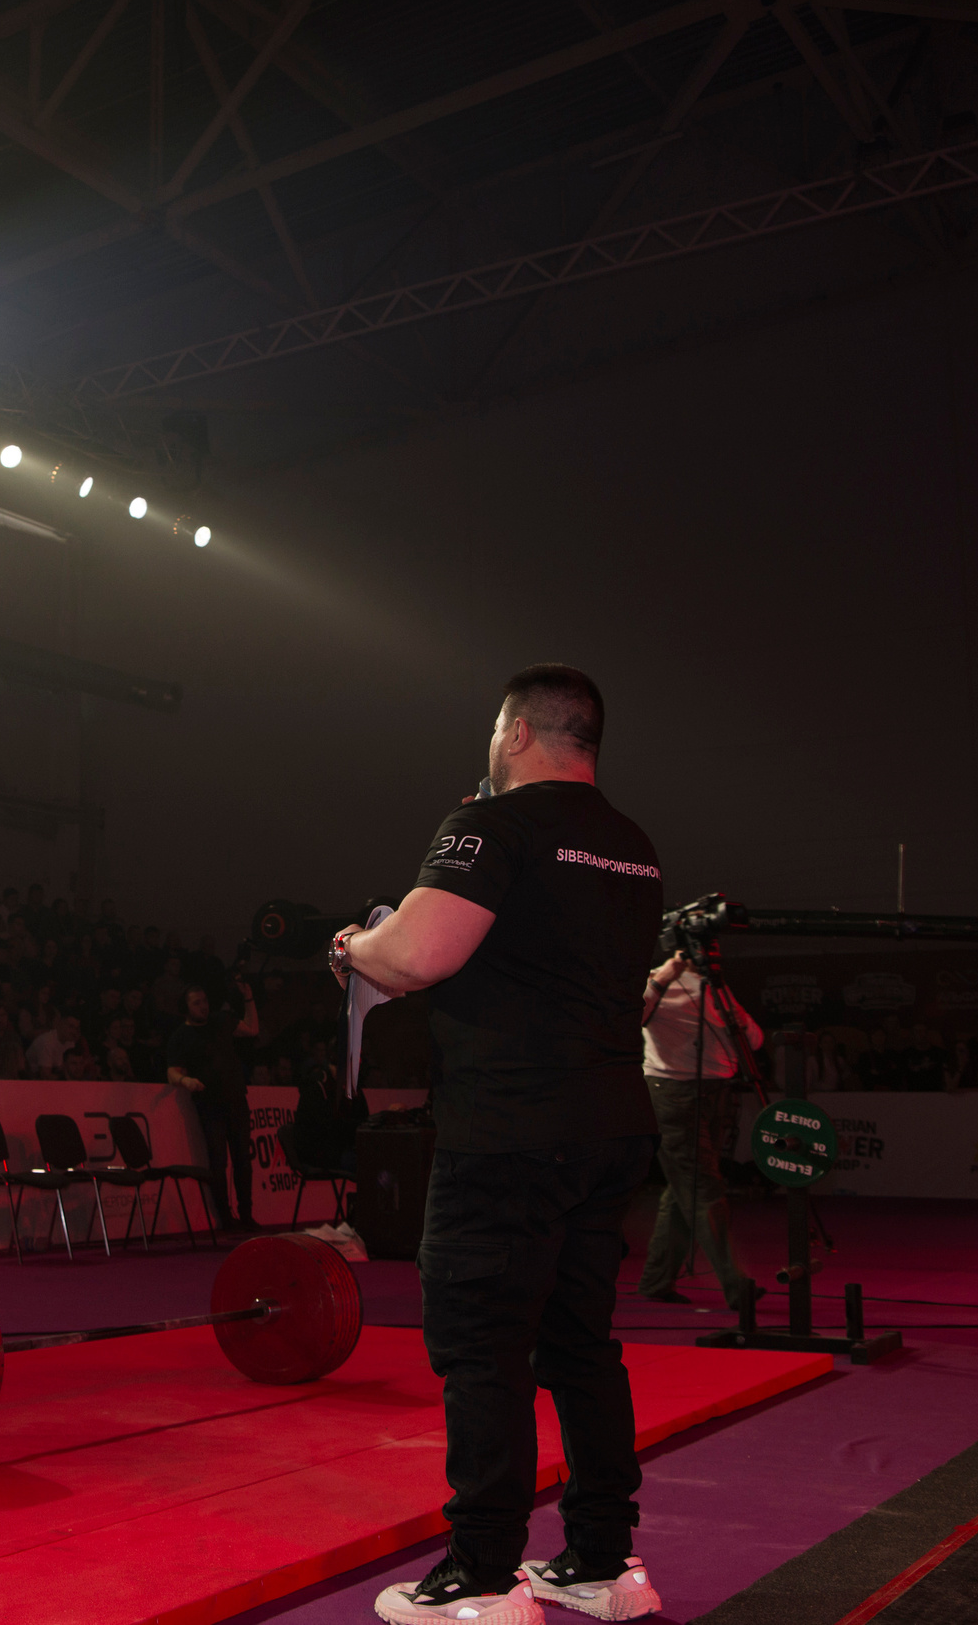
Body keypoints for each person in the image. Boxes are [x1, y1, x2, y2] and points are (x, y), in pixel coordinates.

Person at [333, 664, 665, 1624]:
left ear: (517, 732)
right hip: (608, 1124)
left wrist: (352, 946)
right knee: (581, 1345)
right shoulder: (634, 847)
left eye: (493, 727)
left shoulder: (492, 824)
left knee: (482, 1348)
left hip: (510, 1130)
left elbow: (417, 954)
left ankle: (482, 1576)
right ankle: (602, 1559)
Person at [635, 946, 760, 1311]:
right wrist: (667, 973)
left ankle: (656, 1280)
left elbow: (754, 1039)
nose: (709, 949)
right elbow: (630, 1017)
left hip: (716, 1092)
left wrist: (731, 1008)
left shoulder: (713, 985)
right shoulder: (655, 980)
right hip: (673, 1093)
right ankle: (736, 1285)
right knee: (703, 1188)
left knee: (686, 1189)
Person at [166, 984, 259, 1228]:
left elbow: (252, 1029)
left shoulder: (220, 1021)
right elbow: (172, 1072)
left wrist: (248, 998)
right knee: (218, 1161)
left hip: (236, 1098)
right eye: (196, 1003)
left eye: (204, 1001)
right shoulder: (181, 1036)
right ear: (186, 1007)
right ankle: (225, 1217)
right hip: (209, 1105)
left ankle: (246, 1214)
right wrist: (186, 1081)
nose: (203, 1006)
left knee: (243, 1159)